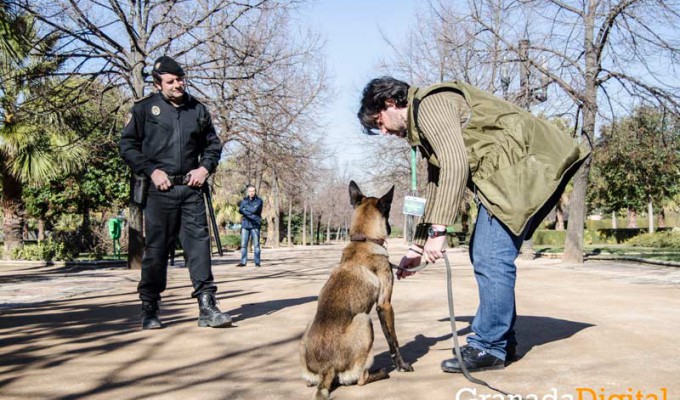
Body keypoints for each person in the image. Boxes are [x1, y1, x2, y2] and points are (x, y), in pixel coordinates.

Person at [357, 77, 589, 373]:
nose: (384, 131)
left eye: (379, 122)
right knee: (484, 252)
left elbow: (455, 165)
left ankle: (490, 346)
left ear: (389, 103)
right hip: (507, 174)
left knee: (490, 256)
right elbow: (437, 183)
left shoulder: (430, 104)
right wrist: (418, 244)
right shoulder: (424, 127)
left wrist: (439, 232)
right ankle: (501, 341)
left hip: (523, 166)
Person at [120, 56, 232, 330]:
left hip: (191, 189)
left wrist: (205, 169)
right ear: (158, 84)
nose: (178, 85)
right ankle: (150, 307)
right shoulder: (144, 110)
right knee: (156, 251)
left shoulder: (198, 110)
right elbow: (128, 146)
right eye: (171, 81)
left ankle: (207, 306)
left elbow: (213, 147)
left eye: (180, 79)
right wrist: (151, 171)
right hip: (160, 192)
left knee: (198, 248)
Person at [236, 185, 263, 267]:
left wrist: (245, 209)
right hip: (245, 224)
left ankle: (257, 262)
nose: (251, 193)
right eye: (250, 191)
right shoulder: (244, 200)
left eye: (253, 191)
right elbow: (240, 210)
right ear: (248, 192)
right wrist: (250, 212)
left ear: (255, 192)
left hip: (255, 224)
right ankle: (243, 262)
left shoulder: (259, 201)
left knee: (256, 245)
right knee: (243, 245)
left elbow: (254, 210)